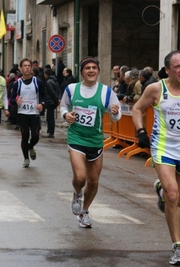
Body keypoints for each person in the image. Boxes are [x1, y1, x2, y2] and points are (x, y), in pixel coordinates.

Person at [132, 50, 180, 266]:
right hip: (163, 148)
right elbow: (137, 109)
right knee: (173, 195)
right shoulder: (156, 89)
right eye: (178, 67)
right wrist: (140, 132)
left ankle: (160, 190)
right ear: (167, 70)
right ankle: (177, 246)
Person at [60, 57, 121, 228]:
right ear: (82, 72)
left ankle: (84, 211)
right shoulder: (72, 89)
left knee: (93, 181)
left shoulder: (106, 92)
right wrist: (66, 115)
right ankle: (77, 193)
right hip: (76, 138)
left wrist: (115, 112)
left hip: (95, 140)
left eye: (94, 68)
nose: (91, 71)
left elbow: (116, 115)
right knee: (80, 177)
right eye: (87, 68)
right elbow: (63, 106)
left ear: (98, 71)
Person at [10, 58, 45, 168]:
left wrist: (42, 104)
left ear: (31, 68)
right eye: (24, 66)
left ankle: (30, 146)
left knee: (35, 136)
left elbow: (44, 96)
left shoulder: (37, 82)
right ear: (21, 68)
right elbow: (11, 98)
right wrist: (16, 101)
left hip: (34, 113)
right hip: (22, 114)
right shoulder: (17, 83)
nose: (27, 67)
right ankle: (26, 158)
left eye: (29, 66)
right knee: (24, 136)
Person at [43, 68, 60, 138]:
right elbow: (58, 91)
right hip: (53, 101)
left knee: (50, 117)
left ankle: (50, 131)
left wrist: (56, 100)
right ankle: (50, 131)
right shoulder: (55, 81)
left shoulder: (49, 82)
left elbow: (52, 92)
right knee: (50, 117)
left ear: (46, 74)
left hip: (50, 101)